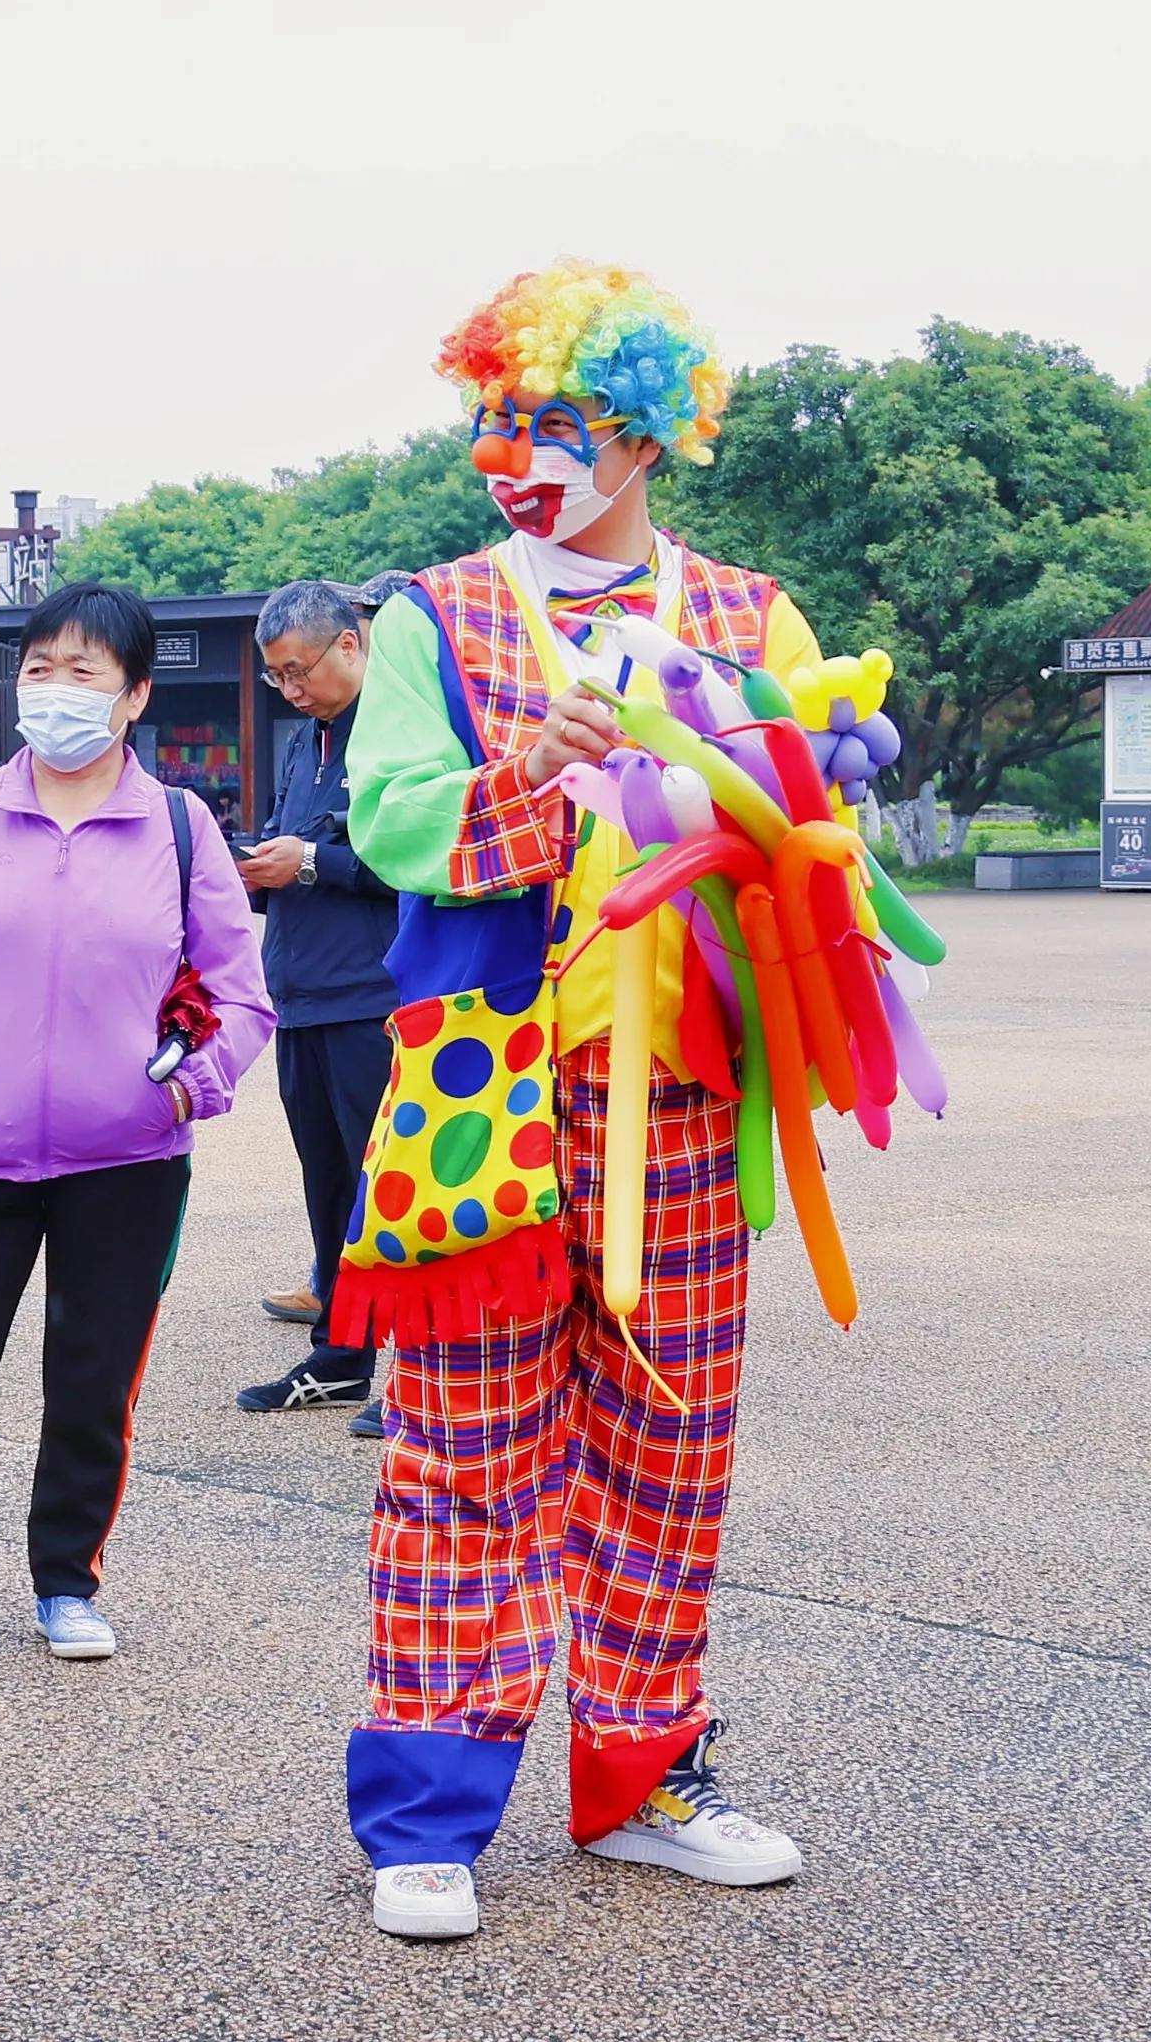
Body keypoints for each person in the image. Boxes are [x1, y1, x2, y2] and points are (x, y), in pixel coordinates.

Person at [334, 261, 830, 1943]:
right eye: (492, 419)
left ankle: (639, 1776)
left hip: (687, 1091)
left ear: (638, 434)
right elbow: (392, 819)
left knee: (667, 1447)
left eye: (548, 423)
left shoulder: (749, 612)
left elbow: (814, 815)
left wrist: (798, 779)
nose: (512, 453)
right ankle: (425, 1804)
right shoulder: (436, 614)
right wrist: (523, 778)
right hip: (480, 1084)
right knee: (460, 1447)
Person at [0, 582, 273, 1670]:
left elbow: (241, 994)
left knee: (93, 1380)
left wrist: (190, 1086)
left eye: (84, 673)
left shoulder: (178, 828)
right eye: (39, 668)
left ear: (132, 696)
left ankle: (65, 1583)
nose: (55, 690)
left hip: (128, 1160)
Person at [230, 578, 399, 1424]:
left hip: (376, 995)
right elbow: (297, 847)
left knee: (390, 1185)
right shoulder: (308, 741)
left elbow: (419, 858)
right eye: (277, 677)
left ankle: (420, 1367)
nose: (291, 688)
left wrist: (312, 863)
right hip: (301, 992)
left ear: (350, 644)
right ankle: (340, 1354)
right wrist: (261, 866)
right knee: (328, 1184)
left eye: (299, 669)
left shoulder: (405, 731)